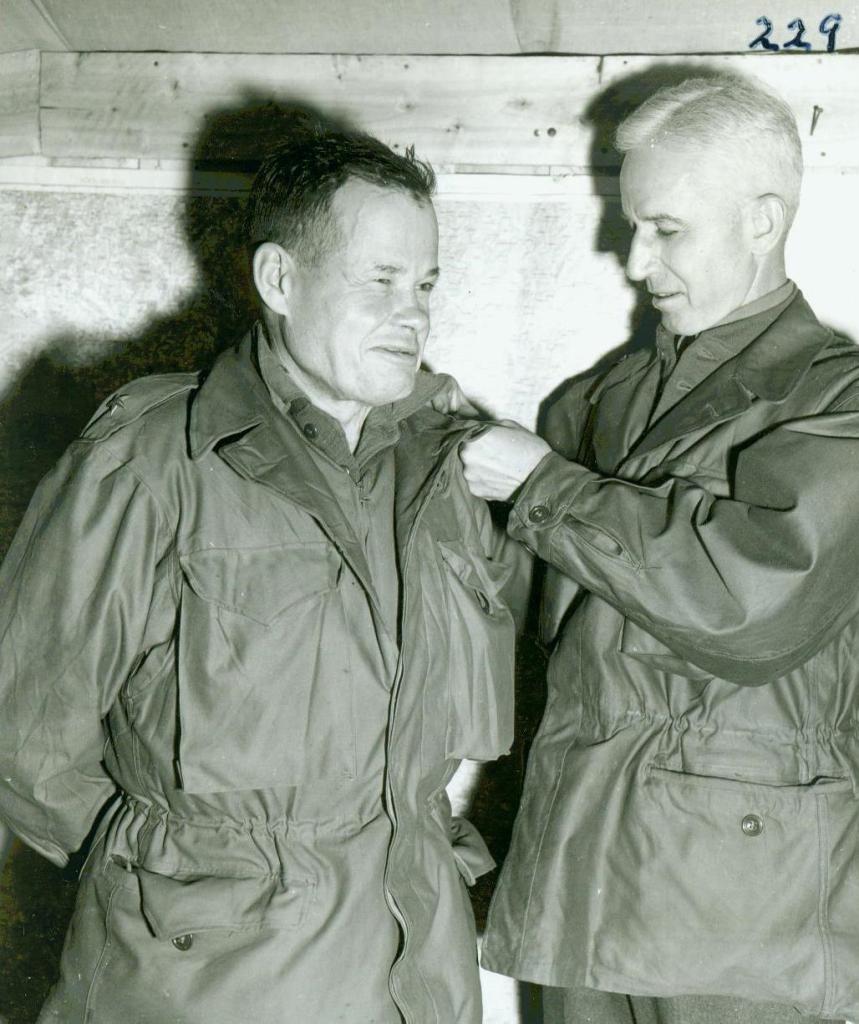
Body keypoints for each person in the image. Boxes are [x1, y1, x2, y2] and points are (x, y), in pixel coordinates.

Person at [0, 122, 525, 1024]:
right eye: (380, 281)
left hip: (413, 965)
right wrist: (174, 878)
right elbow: (24, 731)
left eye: (425, 284)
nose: (413, 314)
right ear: (279, 280)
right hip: (210, 979)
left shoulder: (445, 463)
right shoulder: (155, 459)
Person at [466, 73, 859, 1023]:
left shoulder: (838, 398)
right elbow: (525, 634)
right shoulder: (592, 404)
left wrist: (544, 486)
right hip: (579, 872)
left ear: (762, 221)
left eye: (665, 229)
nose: (635, 260)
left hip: (742, 909)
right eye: (633, 224)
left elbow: (748, 605)